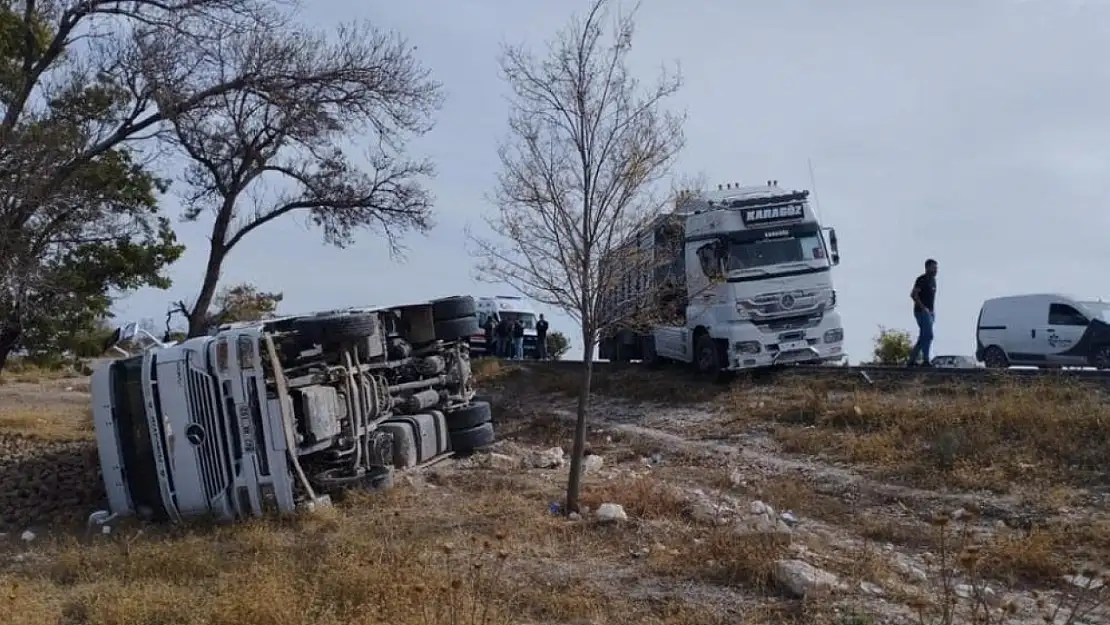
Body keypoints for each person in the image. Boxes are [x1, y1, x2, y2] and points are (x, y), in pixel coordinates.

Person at [907, 258, 938, 367]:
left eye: (936, 268)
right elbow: (913, 294)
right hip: (921, 312)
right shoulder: (922, 279)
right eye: (934, 268)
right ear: (928, 268)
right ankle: (926, 360)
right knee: (928, 335)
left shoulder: (933, 281)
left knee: (924, 337)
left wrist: (932, 312)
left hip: (930, 313)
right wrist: (923, 308)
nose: (936, 270)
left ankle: (911, 360)